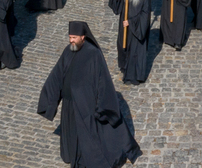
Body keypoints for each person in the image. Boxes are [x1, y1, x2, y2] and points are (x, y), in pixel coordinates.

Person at [37, 21, 142, 168]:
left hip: (85, 105)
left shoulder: (94, 54)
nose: (71, 40)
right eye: (70, 37)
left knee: (85, 139)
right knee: (71, 133)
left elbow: (103, 82)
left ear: (83, 37)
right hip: (69, 104)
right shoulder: (69, 50)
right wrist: (49, 99)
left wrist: (101, 107)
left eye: (74, 37)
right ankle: (70, 153)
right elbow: (57, 74)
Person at [107, 0, 151, 85]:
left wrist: (131, 22)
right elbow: (113, 1)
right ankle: (124, 68)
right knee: (123, 46)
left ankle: (134, 76)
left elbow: (145, 16)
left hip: (136, 30)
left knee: (135, 53)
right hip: (124, 29)